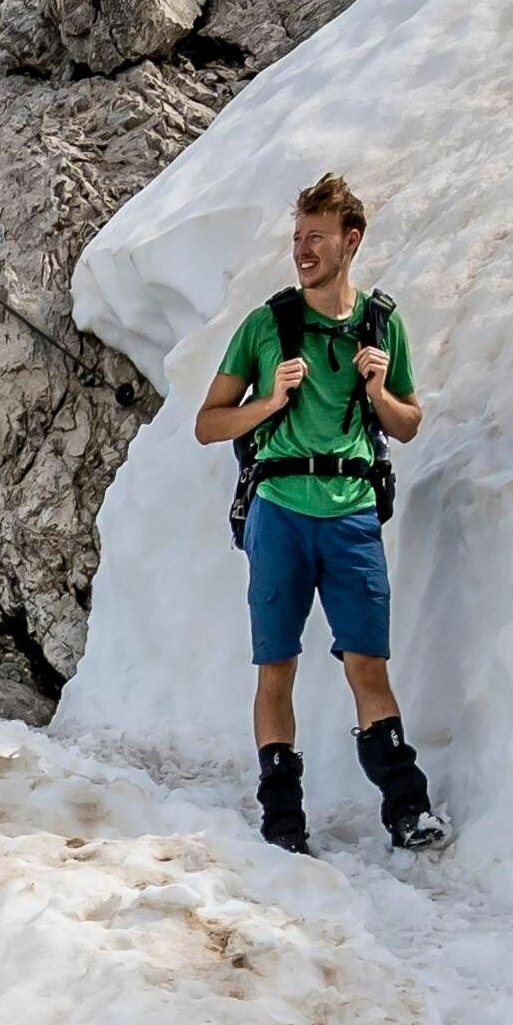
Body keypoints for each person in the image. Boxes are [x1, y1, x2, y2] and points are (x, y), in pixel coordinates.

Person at [189, 173, 445, 857]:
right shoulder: (266, 325)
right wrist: (269, 403)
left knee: (367, 663)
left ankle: (407, 808)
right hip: (278, 510)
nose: (301, 250)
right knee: (276, 665)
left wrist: (375, 388)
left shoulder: (381, 324)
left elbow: (409, 422)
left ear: (349, 241)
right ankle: (282, 820)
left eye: (315, 237)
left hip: (353, 514)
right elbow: (208, 424)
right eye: (297, 237)